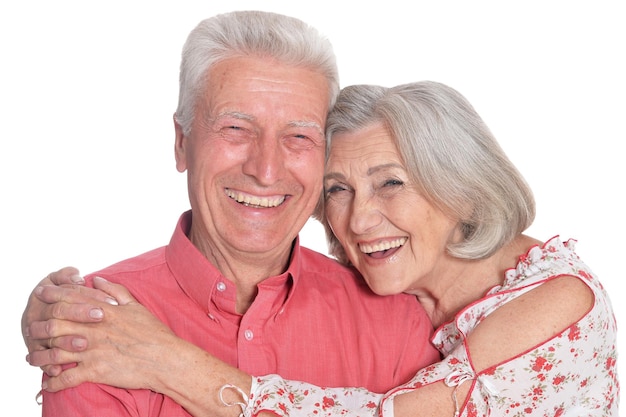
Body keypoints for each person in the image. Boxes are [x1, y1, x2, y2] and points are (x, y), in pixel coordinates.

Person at [29, 80, 620, 416]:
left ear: (461, 188)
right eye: (337, 189)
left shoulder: (559, 301)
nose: (359, 219)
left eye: (391, 182)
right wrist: (55, 310)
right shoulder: (403, 297)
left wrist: (167, 360)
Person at [21, 10, 440, 417]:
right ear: (182, 143)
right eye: (236, 129)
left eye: (298, 136)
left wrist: (173, 365)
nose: (266, 169)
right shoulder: (96, 323)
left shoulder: (396, 319)